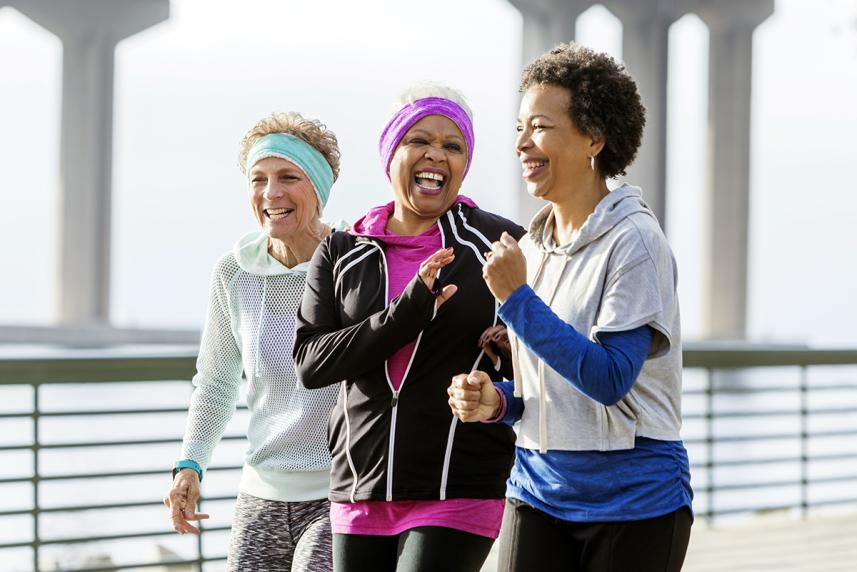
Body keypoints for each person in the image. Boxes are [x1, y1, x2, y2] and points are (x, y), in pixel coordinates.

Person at [447, 43, 693, 572]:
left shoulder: (636, 241)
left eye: (539, 126)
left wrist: (516, 299)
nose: (521, 143)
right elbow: (551, 388)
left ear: (594, 139)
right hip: (537, 490)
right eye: (518, 127)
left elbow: (609, 379)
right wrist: (499, 402)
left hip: (636, 502)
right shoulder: (531, 249)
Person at [293, 83, 525, 572]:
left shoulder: (500, 243)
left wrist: (515, 342)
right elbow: (312, 364)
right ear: (391, 152)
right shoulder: (341, 249)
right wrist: (410, 309)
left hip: (459, 483)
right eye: (419, 140)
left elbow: (547, 347)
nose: (436, 155)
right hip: (361, 483)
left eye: (452, 145)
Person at [164, 112, 344, 571]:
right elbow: (216, 381)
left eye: (288, 177)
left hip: (339, 492)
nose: (271, 193)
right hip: (260, 494)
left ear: (319, 189)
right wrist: (190, 465)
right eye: (258, 179)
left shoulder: (354, 264)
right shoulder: (234, 272)